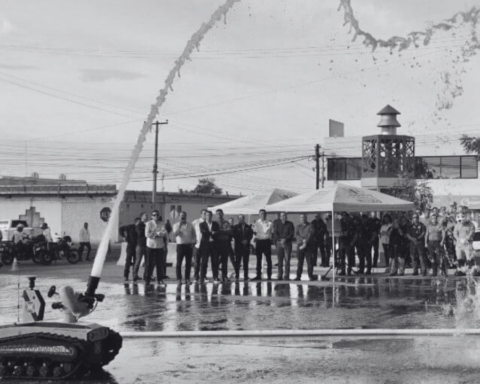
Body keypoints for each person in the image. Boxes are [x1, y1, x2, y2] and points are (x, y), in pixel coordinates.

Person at [145, 210, 167, 286]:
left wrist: (155, 233)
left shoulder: (162, 223)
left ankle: (160, 279)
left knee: (159, 264)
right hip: (150, 246)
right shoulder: (148, 223)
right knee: (149, 263)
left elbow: (164, 233)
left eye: (157, 215)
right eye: (154, 215)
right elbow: (147, 234)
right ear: (151, 216)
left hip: (159, 246)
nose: (156, 216)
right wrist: (158, 233)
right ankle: (147, 279)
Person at [173, 212, 196, 284]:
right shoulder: (176, 225)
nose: (183, 218)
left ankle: (187, 278)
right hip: (180, 245)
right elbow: (175, 234)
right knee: (179, 263)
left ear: (186, 217)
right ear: (179, 217)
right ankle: (179, 279)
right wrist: (180, 226)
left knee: (188, 263)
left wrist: (193, 242)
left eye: (184, 216)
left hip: (188, 245)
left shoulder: (190, 225)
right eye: (181, 216)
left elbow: (194, 235)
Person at [252, 209, 273, 281]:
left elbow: (272, 233)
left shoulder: (269, 223)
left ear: (266, 214)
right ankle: (258, 275)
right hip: (259, 242)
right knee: (258, 259)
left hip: (267, 242)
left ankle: (269, 276)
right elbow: (254, 233)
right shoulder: (256, 223)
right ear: (259, 214)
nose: (262, 215)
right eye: (261, 214)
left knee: (268, 260)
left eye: (264, 214)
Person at [199, 211, 220, 283]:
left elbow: (218, 232)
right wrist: (211, 233)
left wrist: (212, 233)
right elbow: (203, 232)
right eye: (207, 215)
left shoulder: (215, 224)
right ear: (205, 216)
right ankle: (202, 277)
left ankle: (215, 277)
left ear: (212, 216)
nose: (209, 217)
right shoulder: (202, 224)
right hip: (205, 245)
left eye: (210, 215)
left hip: (214, 245)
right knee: (204, 262)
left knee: (215, 262)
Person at [273, 212, 295, 280]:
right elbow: (275, 233)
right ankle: (280, 275)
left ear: (286, 216)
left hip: (287, 243)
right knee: (280, 260)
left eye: (284, 216)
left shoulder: (290, 224)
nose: (283, 217)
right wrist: (280, 239)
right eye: (282, 216)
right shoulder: (277, 224)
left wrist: (285, 239)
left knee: (287, 260)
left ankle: (287, 275)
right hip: (279, 243)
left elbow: (292, 233)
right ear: (280, 217)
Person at [232, 214, 254, 281]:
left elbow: (251, 235)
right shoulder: (235, 227)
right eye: (239, 218)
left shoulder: (248, 227)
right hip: (238, 246)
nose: (241, 219)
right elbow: (234, 235)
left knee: (246, 262)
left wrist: (247, 240)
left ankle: (246, 276)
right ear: (238, 219)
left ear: (244, 218)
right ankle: (237, 275)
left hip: (246, 247)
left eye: (242, 218)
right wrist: (241, 241)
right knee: (237, 262)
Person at [295, 214, 315, 281]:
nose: (303, 218)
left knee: (309, 262)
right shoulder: (298, 226)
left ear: (306, 218)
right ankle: (298, 276)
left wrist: (305, 241)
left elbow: (311, 234)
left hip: (309, 246)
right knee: (300, 262)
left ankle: (310, 276)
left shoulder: (311, 225)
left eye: (304, 217)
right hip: (300, 245)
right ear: (300, 218)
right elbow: (296, 234)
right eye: (301, 217)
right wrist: (302, 240)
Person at [215, 209, 233, 283]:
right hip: (216, 244)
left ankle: (224, 276)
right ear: (216, 214)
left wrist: (220, 231)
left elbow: (229, 231)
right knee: (215, 261)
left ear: (223, 214)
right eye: (217, 213)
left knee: (224, 261)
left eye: (220, 213)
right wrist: (223, 231)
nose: (219, 214)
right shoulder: (214, 223)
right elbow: (214, 232)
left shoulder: (226, 223)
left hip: (225, 243)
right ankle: (215, 276)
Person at [119, 218, 140, 282]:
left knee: (135, 262)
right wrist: (124, 236)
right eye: (138, 222)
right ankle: (126, 276)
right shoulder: (130, 226)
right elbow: (120, 229)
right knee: (128, 261)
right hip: (130, 245)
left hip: (137, 246)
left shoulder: (140, 228)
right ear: (136, 222)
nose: (139, 223)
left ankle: (134, 275)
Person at [192, 209, 207, 282]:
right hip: (197, 244)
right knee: (196, 262)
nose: (205, 215)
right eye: (204, 213)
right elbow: (191, 232)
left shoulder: (208, 223)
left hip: (205, 245)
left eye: (206, 214)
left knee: (204, 262)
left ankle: (203, 276)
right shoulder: (196, 222)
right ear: (201, 214)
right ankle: (196, 276)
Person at [133, 212, 148, 282]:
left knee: (147, 261)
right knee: (138, 260)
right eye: (145, 215)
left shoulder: (148, 224)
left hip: (147, 245)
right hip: (140, 245)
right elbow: (139, 233)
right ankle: (135, 275)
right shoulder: (139, 225)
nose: (147, 216)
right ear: (142, 217)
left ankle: (146, 275)